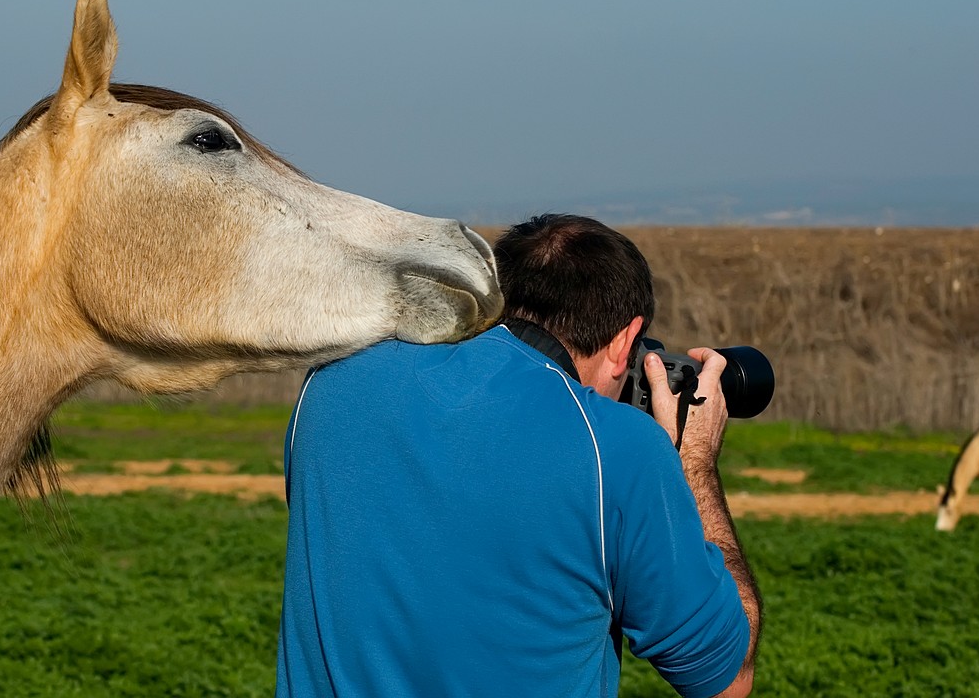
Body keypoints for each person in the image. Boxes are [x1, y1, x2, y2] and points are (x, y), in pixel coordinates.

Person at [277, 214, 761, 698]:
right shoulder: (618, 447)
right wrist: (692, 460)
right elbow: (726, 680)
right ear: (625, 341)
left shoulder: (332, 386)